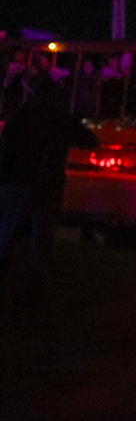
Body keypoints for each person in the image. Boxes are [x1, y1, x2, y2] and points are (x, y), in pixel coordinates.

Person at [0, 69, 95, 289]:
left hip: (19, 179)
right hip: (48, 180)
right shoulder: (60, 117)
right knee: (42, 233)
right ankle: (35, 278)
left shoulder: (22, 115)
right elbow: (90, 140)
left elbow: (6, 147)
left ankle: (7, 271)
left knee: (9, 228)